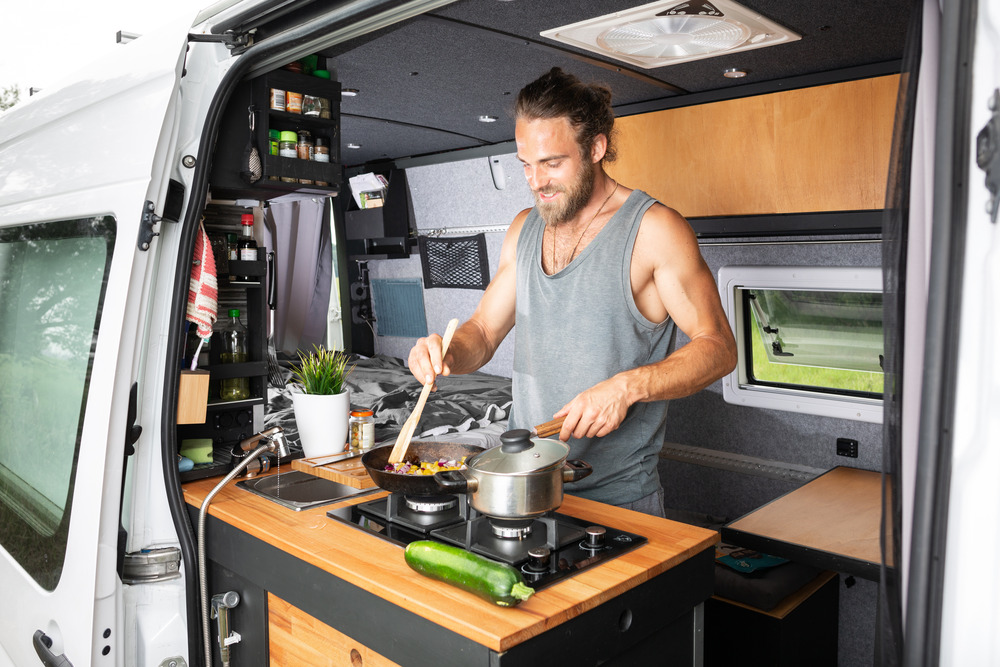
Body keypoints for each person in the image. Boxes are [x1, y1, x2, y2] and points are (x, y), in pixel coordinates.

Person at [407, 67, 737, 517]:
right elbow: (483, 331)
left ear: (596, 147)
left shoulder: (654, 230)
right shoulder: (524, 228)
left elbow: (718, 348)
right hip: (525, 488)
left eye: (552, 163)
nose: (536, 180)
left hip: (619, 499)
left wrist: (627, 387)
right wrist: (445, 352)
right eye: (526, 163)